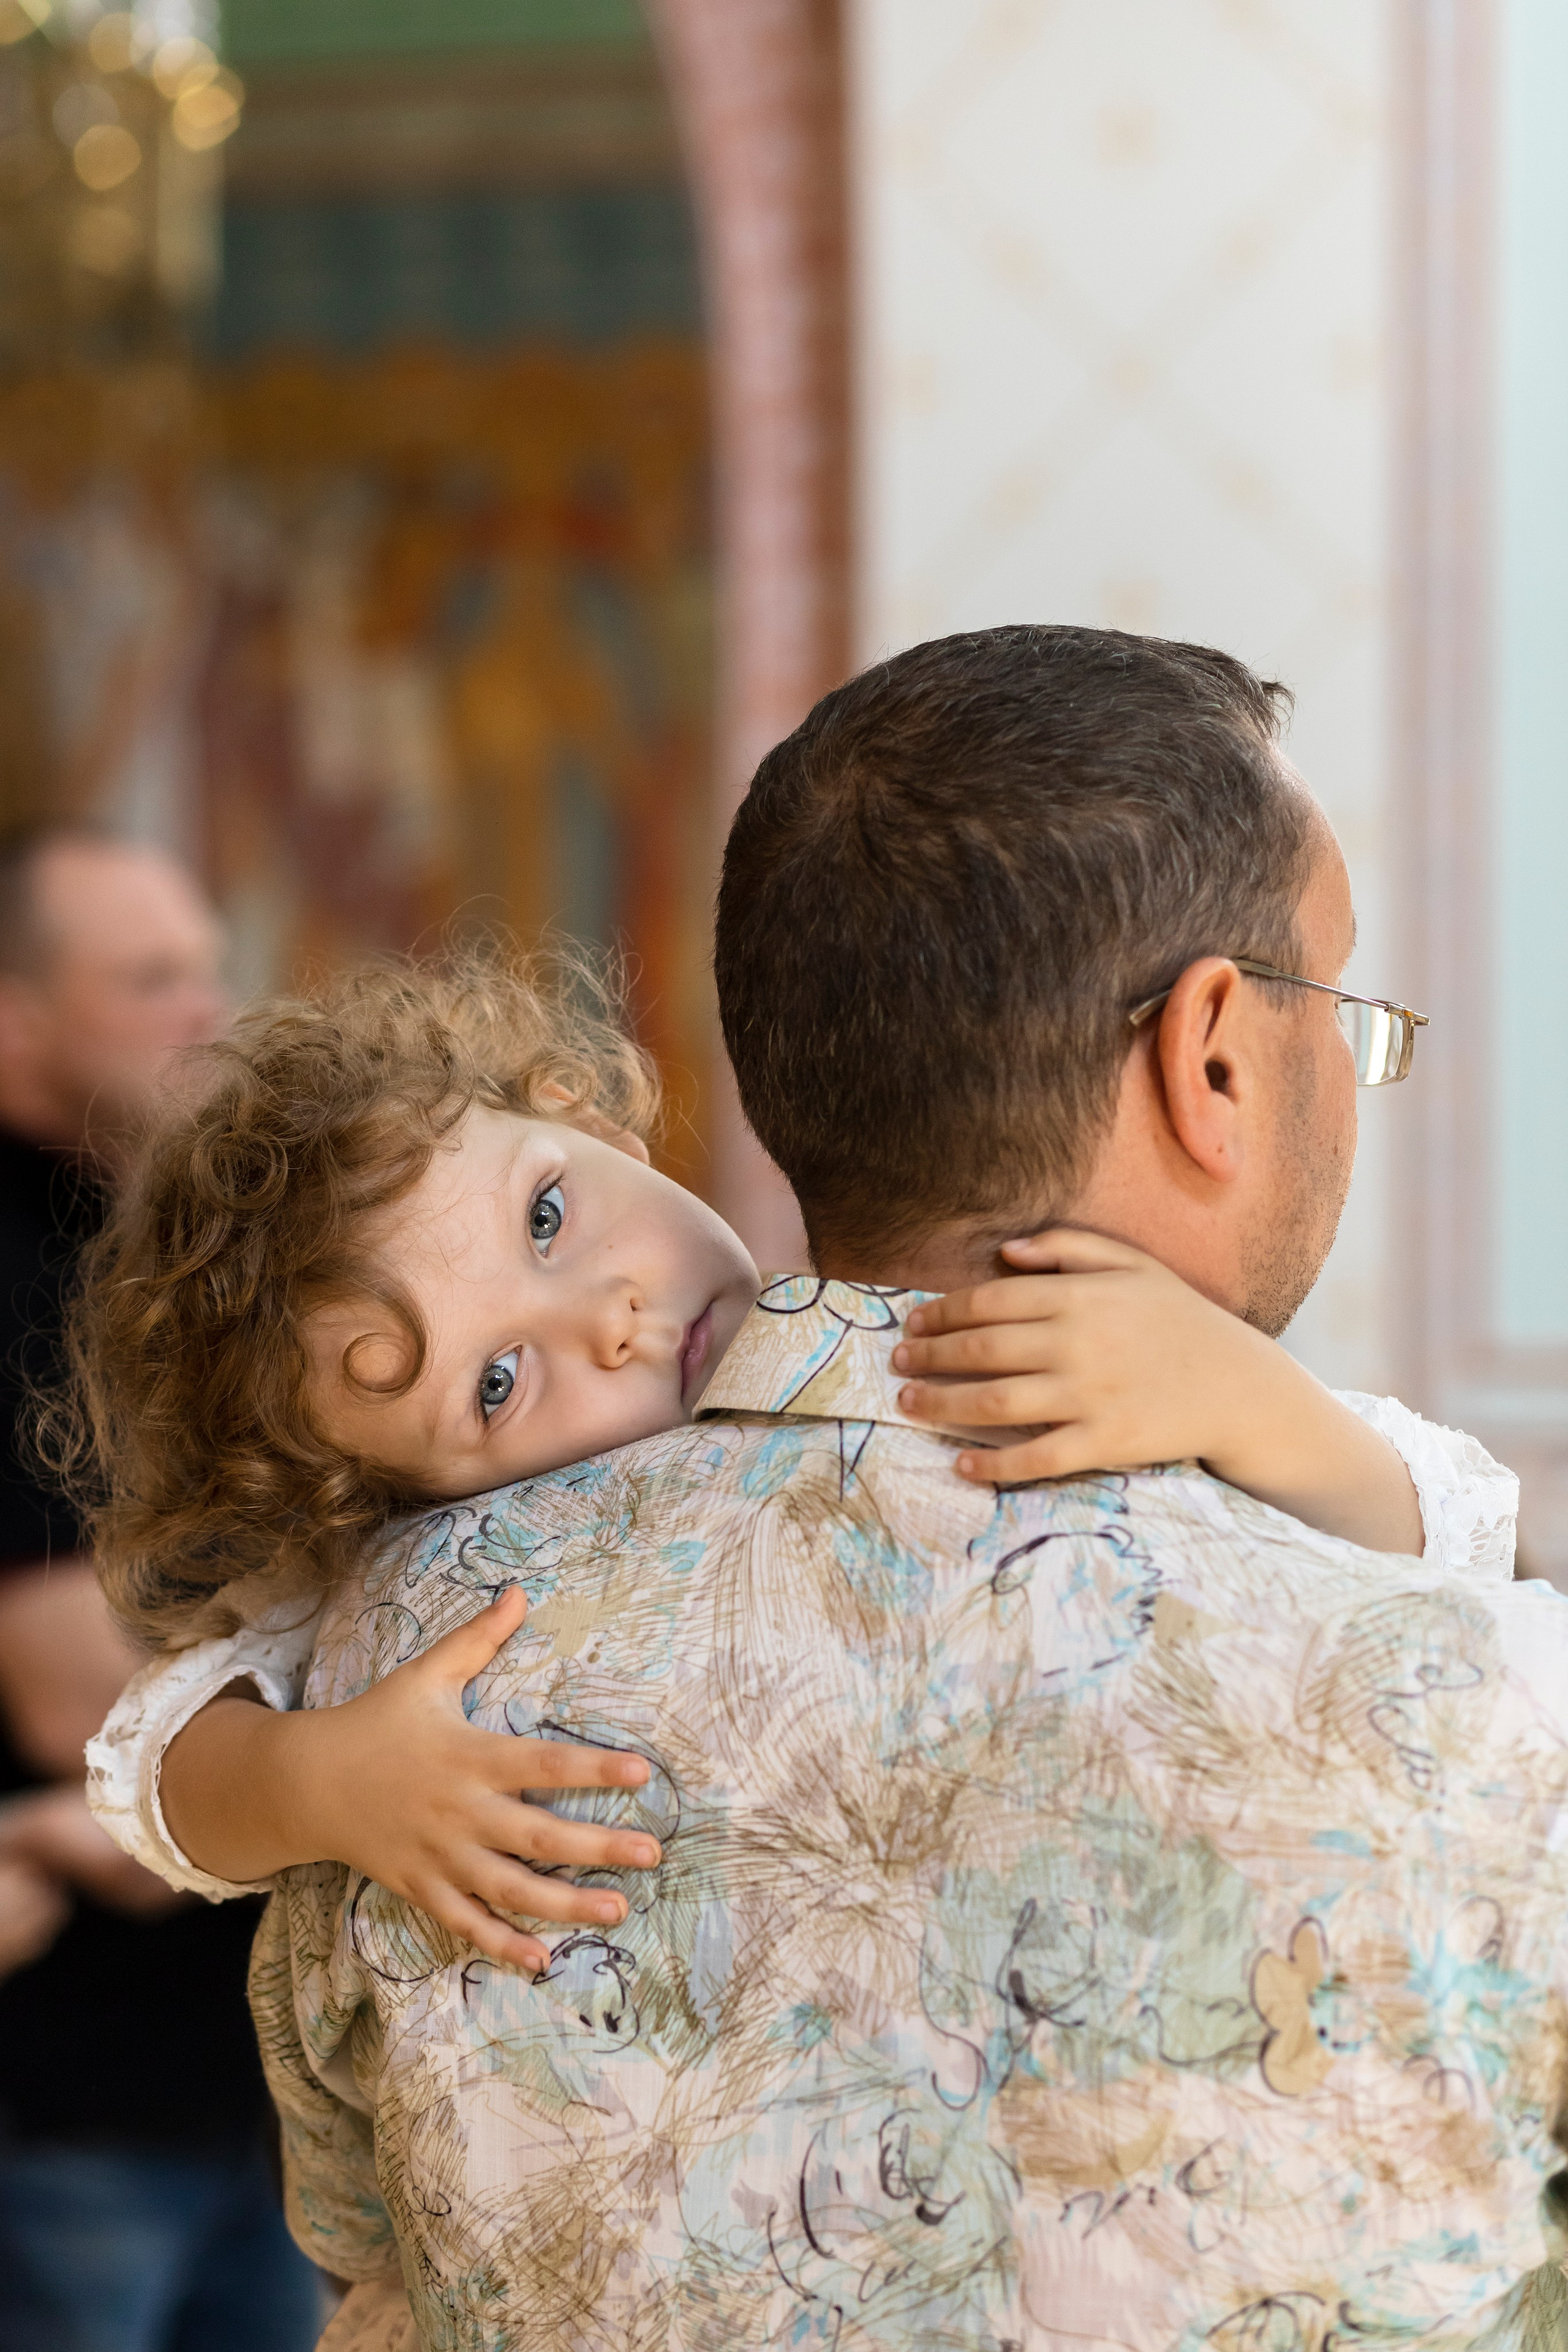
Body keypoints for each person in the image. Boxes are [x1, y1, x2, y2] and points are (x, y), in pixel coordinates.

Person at [79, 628, 1546, 2344]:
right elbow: (177, 1754)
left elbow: (361, 2242)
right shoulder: (1486, 1703)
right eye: (495, 1381)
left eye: (554, 1221)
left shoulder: (411, 1668)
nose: (608, 1321)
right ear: (1211, 1053)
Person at [0, 824, 323, 2351]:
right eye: (149, 980)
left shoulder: (167, 1243)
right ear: (15, 1017)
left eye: (207, 966)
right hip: (71, 2104)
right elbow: (88, 1706)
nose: (209, 1011)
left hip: (244, 2082)